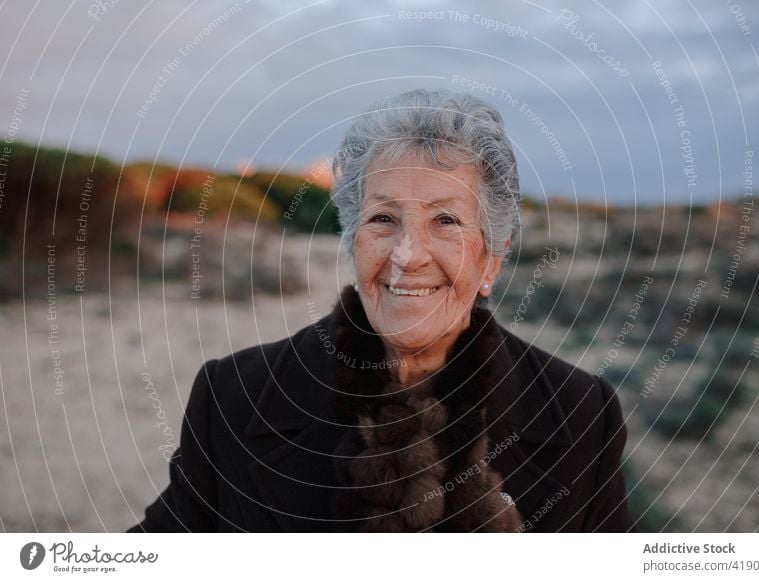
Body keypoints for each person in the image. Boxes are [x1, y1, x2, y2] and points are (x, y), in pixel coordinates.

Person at [127, 89, 636, 532]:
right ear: (352, 239)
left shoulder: (582, 413)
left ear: (493, 258)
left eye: (445, 221)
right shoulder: (236, 395)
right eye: (383, 218)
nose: (407, 255)